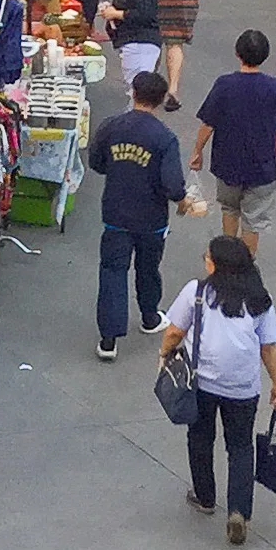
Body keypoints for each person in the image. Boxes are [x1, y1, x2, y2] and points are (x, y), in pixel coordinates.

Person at [159, 236, 276, 546]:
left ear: (217, 265)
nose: (205, 259)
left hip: (202, 382)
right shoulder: (259, 299)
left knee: (200, 438)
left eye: (208, 257)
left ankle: (205, 497)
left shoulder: (197, 292)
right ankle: (239, 511)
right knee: (240, 447)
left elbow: (174, 331)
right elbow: (268, 347)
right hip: (242, 387)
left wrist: (165, 354)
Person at [91, 71, 194, 361]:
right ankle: (149, 316)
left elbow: (97, 162)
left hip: (116, 213)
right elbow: (173, 184)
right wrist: (183, 201)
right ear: (160, 101)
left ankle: (109, 340)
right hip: (152, 218)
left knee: (113, 271)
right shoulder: (164, 138)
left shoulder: (111, 127)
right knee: (148, 268)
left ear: (134, 93)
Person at [188, 29, 276, 255]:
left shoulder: (224, 85)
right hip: (261, 167)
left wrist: (197, 151)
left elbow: (208, 124)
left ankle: (227, 258)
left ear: (237, 53)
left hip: (227, 164)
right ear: (265, 55)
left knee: (229, 209)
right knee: (253, 221)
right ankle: (246, 264)